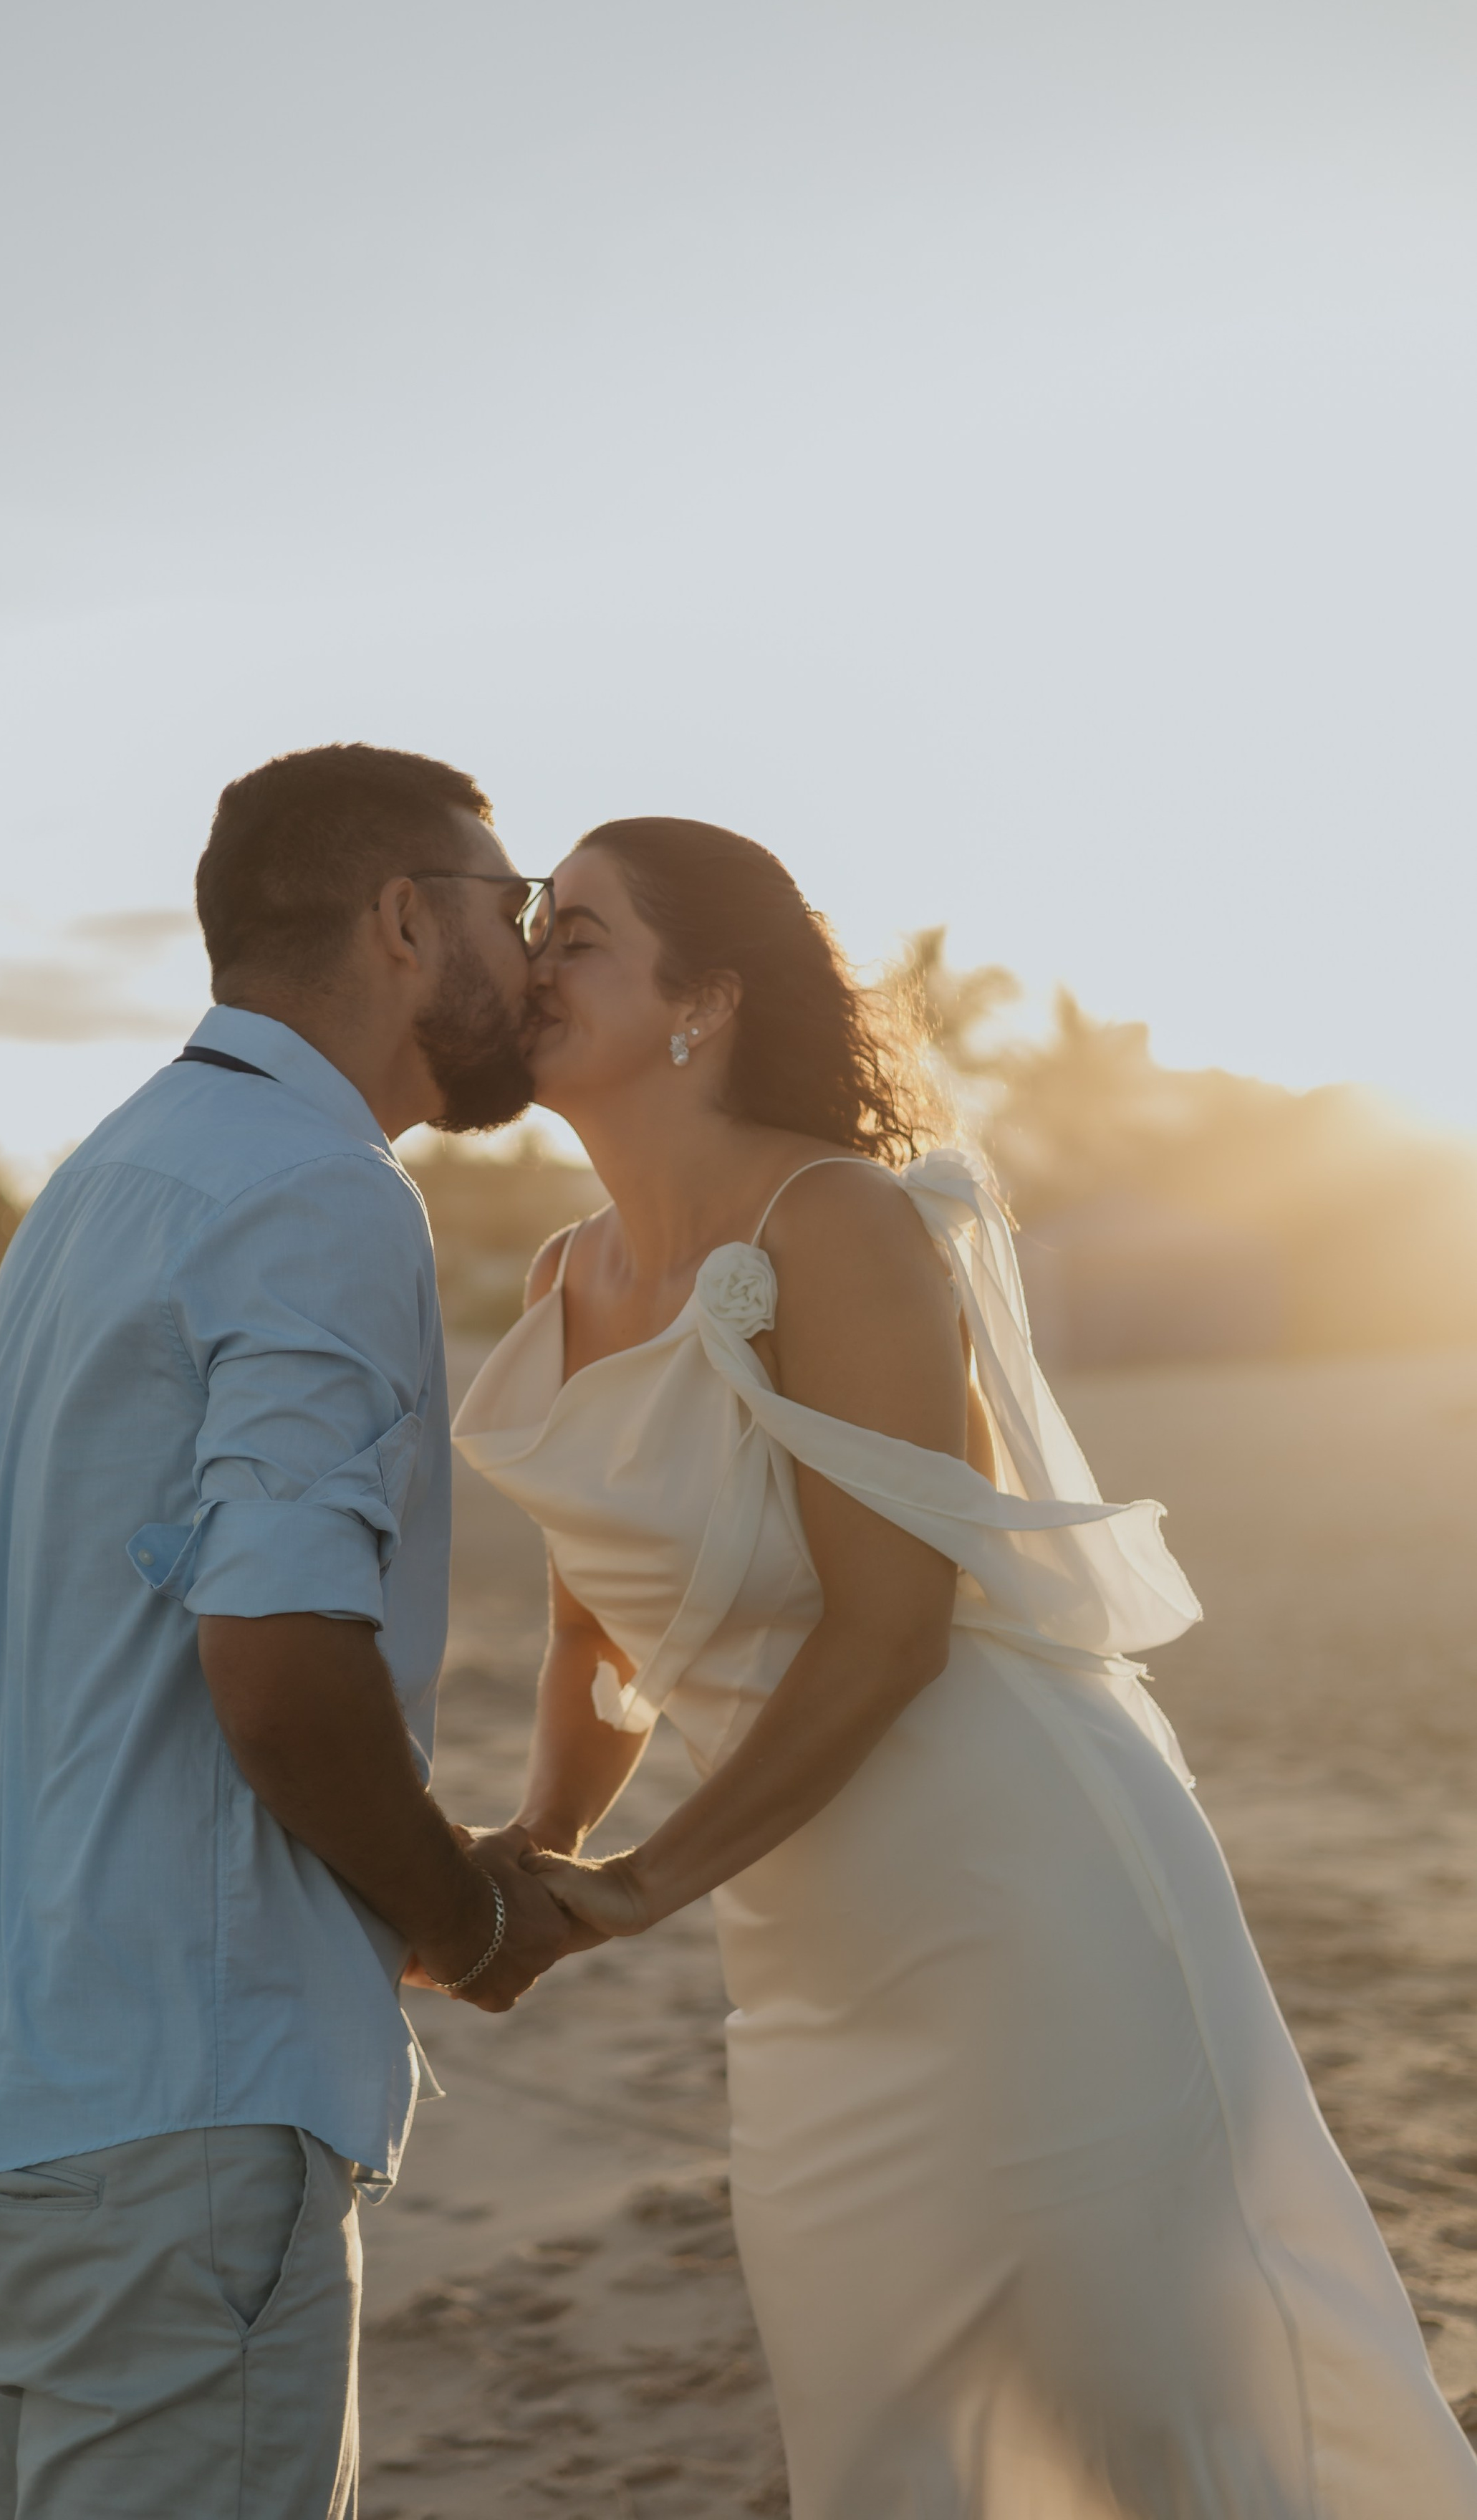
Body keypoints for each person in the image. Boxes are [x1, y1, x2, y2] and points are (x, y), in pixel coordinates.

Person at [454, 815, 1477, 2519]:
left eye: (577, 933)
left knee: (1141, 2386)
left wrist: (640, 1886)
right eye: (533, 930)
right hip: (807, 1953)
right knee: (882, 2425)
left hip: (1013, 1882)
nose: (530, 962)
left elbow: (893, 1628)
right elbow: (590, 1623)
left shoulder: (832, 1217)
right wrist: (541, 1845)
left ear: (701, 999)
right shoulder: (568, 1271)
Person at [0, 742, 574, 2520]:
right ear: (408, 919)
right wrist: (456, 1909)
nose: (538, 947)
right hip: (170, 2110)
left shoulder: (106, 1182)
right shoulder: (312, 1190)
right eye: (516, 905)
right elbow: (272, 1656)